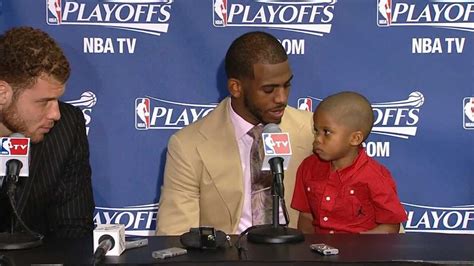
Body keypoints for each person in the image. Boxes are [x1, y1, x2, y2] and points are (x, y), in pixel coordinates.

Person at [157, 31, 314, 235]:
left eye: (287, 85)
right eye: (269, 90)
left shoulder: (312, 131)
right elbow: (175, 237)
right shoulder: (188, 146)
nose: (282, 98)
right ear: (236, 87)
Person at [0, 27, 95, 238]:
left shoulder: (67, 128)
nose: (56, 114)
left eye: (57, 99)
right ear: (2, 93)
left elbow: (74, 230)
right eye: (44, 102)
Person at [291, 91, 407, 234]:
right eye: (316, 131)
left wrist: (360, 246)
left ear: (355, 138)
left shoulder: (376, 177)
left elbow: (390, 226)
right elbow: (306, 216)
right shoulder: (308, 167)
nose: (317, 139)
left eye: (326, 132)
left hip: (361, 254)